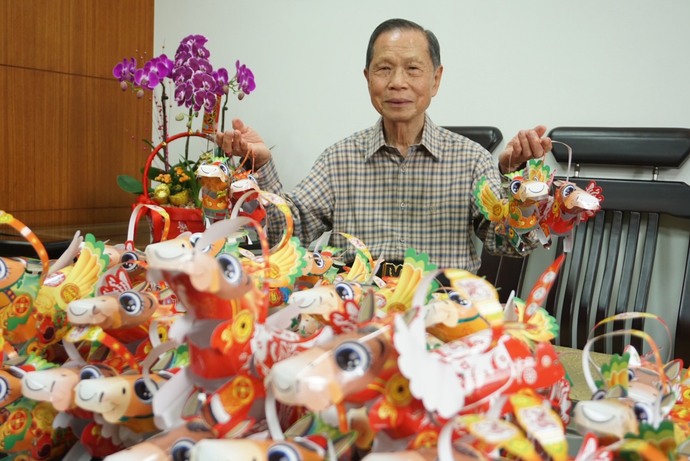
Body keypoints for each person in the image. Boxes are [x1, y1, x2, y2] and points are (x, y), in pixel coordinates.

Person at [216, 18, 552, 273]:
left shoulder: (471, 160)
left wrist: (514, 178)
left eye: (413, 69)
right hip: (356, 312)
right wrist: (259, 167)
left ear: (435, 80)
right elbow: (283, 233)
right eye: (384, 69)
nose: (397, 83)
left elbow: (510, 243)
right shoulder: (339, 160)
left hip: (445, 314)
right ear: (368, 79)